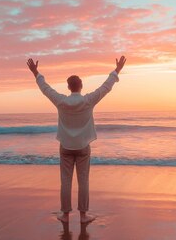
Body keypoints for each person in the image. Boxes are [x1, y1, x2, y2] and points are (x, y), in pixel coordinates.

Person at [26, 56, 126, 224]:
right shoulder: (88, 100)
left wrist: (36, 72)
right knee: (83, 181)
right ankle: (83, 215)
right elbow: (105, 87)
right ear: (81, 86)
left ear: (68, 87)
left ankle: (65, 215)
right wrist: (117, 70)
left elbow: (45, 89)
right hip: (83, 147)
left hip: (65, 146)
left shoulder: (61, 101)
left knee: (65, 181)